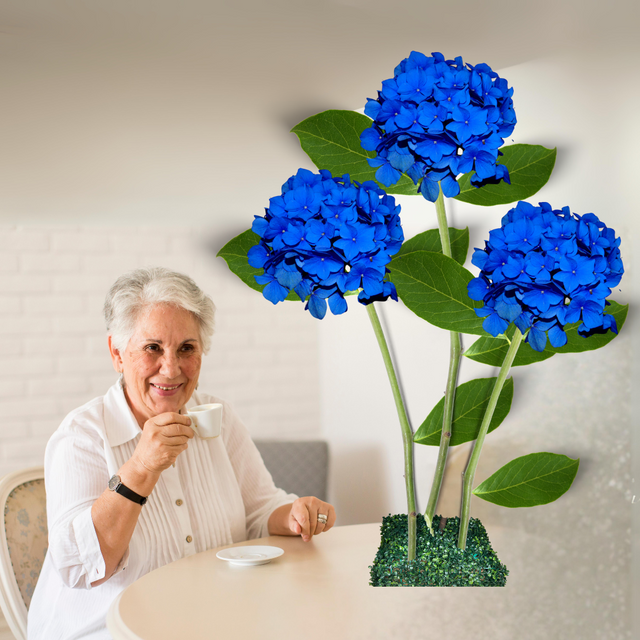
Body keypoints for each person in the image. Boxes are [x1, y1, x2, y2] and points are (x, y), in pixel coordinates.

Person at [28, 267, 336, 640]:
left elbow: (259, 510)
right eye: (152, 348)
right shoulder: (81, 437)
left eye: (186, 348)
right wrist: (142, 467)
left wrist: (293, 515)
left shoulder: (217, 416)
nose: (170, 368)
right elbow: (80, 568)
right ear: (117, 353)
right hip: (107, 630)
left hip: (207, 620)